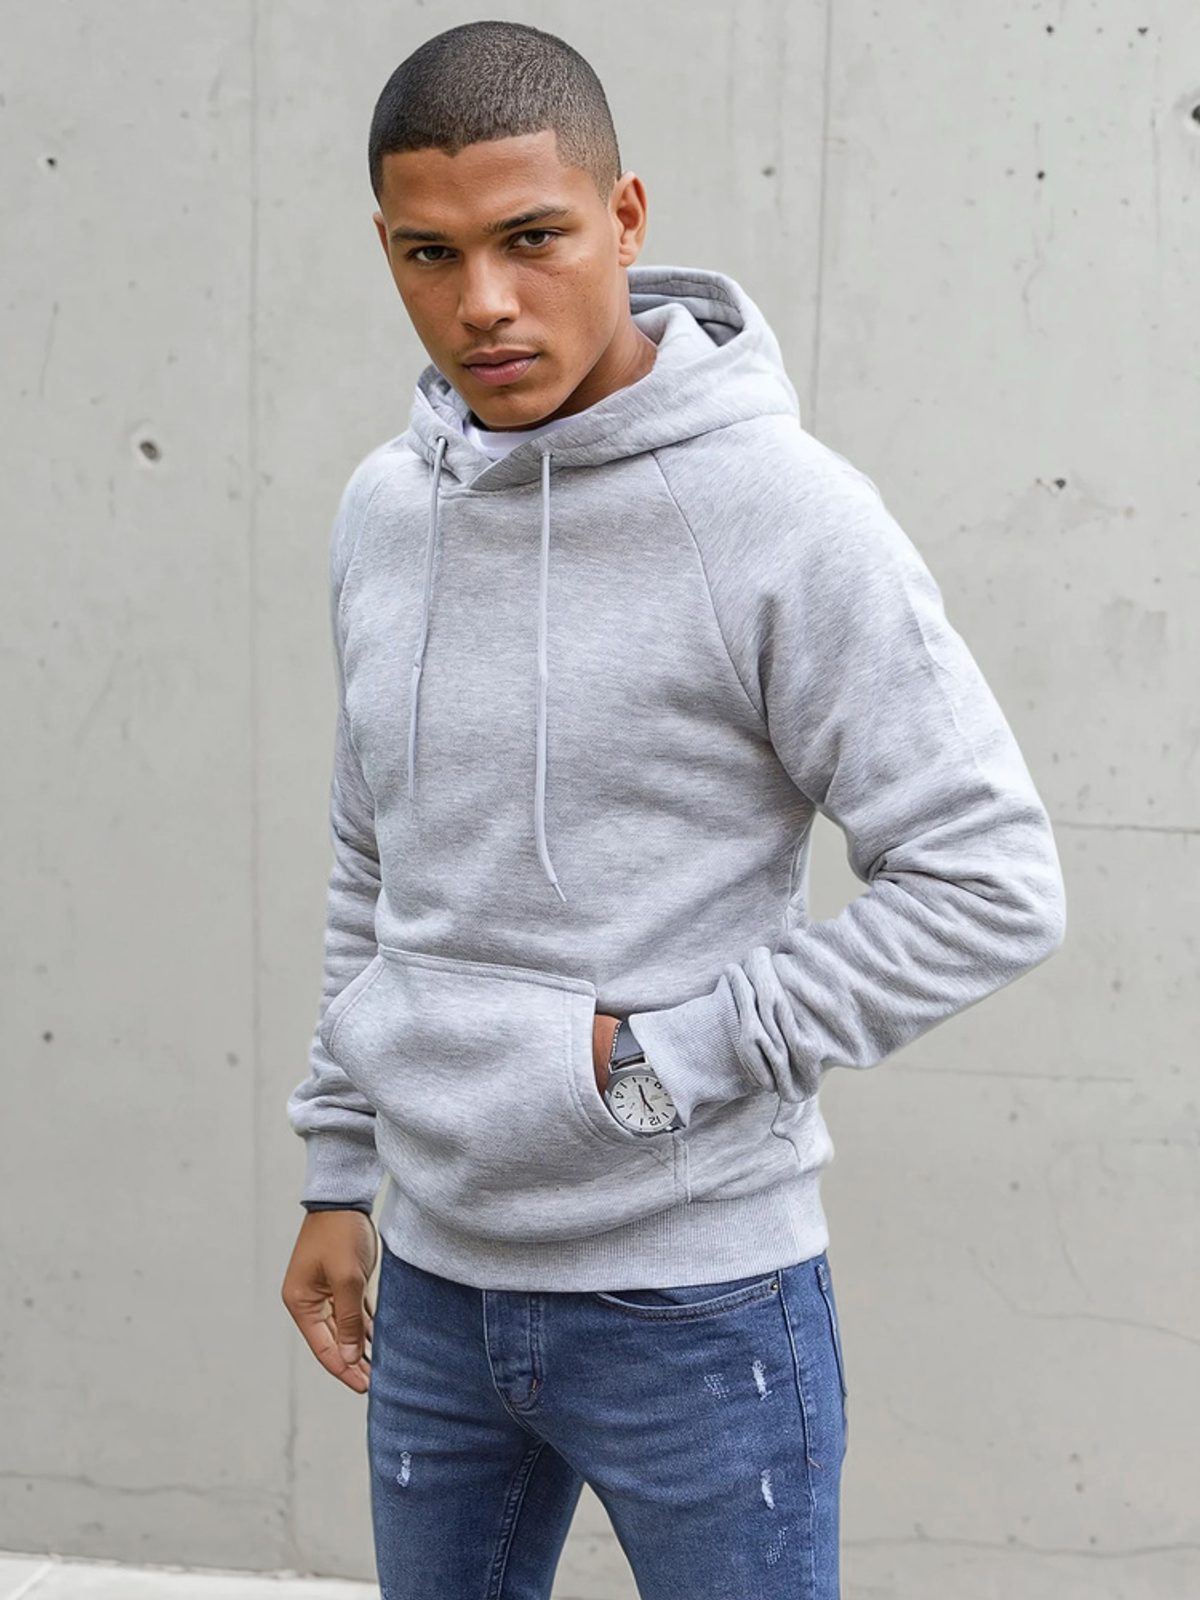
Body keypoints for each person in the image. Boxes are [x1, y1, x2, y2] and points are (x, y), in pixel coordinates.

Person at [280, 20, 1066, 1599]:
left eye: (533, 238)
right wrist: (335, 1168)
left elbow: (990, 881)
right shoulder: (387, 511)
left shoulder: (783, 515)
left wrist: (664, 1064)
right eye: (432, 254)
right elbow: (378, 863)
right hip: (433, 1282)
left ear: (625, 219)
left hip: (698, 1304)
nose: (483, 301)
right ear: (387, 250)